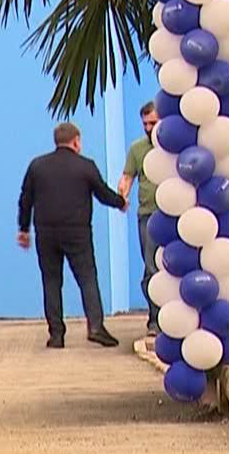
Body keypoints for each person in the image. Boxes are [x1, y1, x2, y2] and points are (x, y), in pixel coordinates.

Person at [17, 120, 127, 349]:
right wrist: (120, 202)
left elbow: (25, 198)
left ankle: (56, 335)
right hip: (77, 232)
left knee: (51, 281)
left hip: (46, 231)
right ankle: (95, 327)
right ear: (76, 142)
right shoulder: (85, 166)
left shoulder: (37, 166)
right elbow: (102, 193)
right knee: (87, 277)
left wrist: (24, 229)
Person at [117, 102, 162, 336]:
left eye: (153, 123)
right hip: (148, 214)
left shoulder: (175, 146)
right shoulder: (137, 149)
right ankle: (155, 320)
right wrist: (122, 194)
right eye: (145, 124)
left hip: (174, 214)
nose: (148, 128)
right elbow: (128, 176)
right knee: (151, 267)